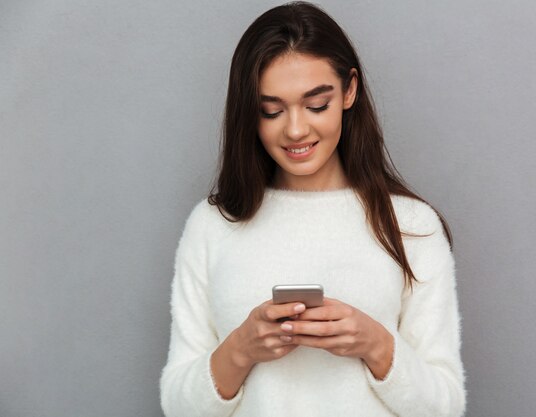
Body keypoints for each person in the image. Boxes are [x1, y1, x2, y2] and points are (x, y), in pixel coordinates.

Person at [159, 2, 466, 416]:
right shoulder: (212, 226)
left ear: (349, 90)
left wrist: (376, 345)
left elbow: (444, 407)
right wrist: (240, 350)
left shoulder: (411, 226)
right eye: (271, 111)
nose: (296, 129)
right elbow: (179, 408)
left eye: (316, 104)